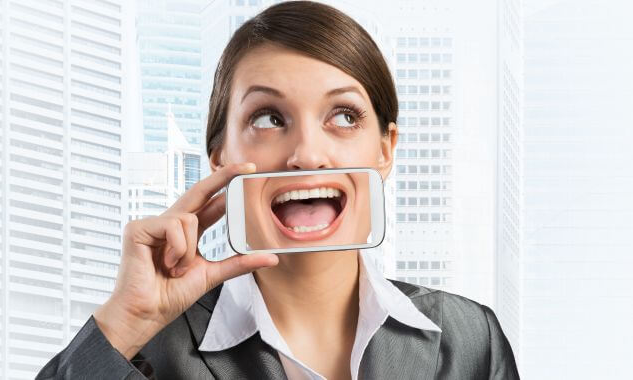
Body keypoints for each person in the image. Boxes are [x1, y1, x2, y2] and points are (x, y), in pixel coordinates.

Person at [36, 1, 519, 379]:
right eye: (268, 119)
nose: (307, 154)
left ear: (385, 150)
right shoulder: (146, 349)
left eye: (344, 116)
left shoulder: (470, 338)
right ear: (220, 157)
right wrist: (124, 322)